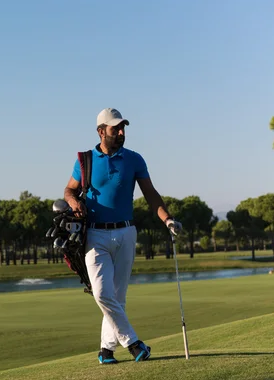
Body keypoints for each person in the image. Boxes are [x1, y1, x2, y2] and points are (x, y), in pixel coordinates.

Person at [63, 108, 182, 364]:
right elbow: (69, 190)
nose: (121, 132)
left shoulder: (134, 159)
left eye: (123, 128)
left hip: (126, 233)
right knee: (102, 294)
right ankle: (134, 344)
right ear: (100, 131)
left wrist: (167, 219)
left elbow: (150, 194)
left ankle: (106, 351)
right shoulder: (85, 160)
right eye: (115, 128)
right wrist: (73, 202)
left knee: (118, 297)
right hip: (95, 235)